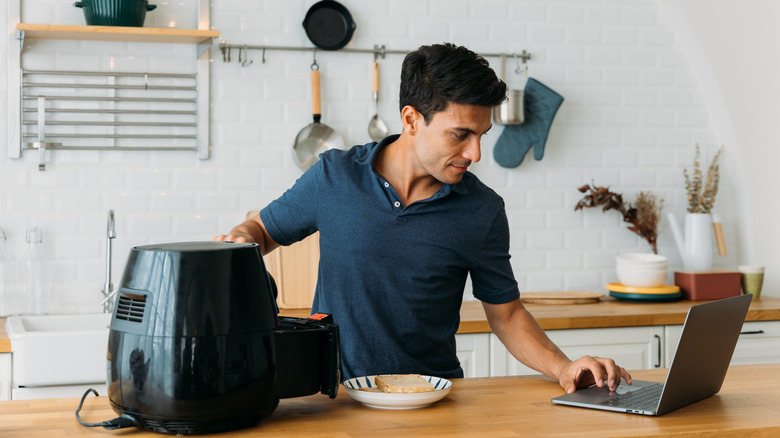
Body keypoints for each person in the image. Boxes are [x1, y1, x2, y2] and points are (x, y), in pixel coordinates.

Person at [214, 43, 631, 394]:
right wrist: (240, 239)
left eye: (481, 135)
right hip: (335, 397)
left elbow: (506, 315)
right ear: (412, 119)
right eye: (460, 134)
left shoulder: (482, 210)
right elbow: (263, 231)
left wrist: (563, 368)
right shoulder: (334, 176)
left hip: (430, 401)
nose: (476, 154)